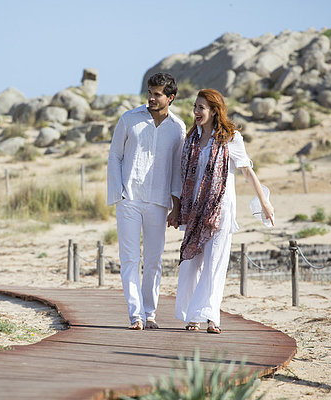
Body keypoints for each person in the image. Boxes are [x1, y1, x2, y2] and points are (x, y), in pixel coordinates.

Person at [170, 88, 274, 334]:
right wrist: (176, 208)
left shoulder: (230, 138)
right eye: (195, 107)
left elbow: (247, 172)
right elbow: (181, 176)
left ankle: (211, 317)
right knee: (190, 264)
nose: (196, 112)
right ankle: (191, 315)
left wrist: (265, 203)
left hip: (220, 210)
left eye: (201, 108)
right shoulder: (191, 140)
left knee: (215, 263)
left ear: (215, 111)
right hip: (195, 211)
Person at [107, 72, 186, 330]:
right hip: (129, 198)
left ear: (170, 98)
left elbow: (177, 168)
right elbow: (115, 156)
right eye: (149, 93)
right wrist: (118, 192)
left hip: (158, 201)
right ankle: (136, 315)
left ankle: (150, 312)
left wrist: (176, 205)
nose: (151, 98)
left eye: (157, 94)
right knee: (129, 258)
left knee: (153, 259)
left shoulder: (178, 127)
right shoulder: (129, 119)